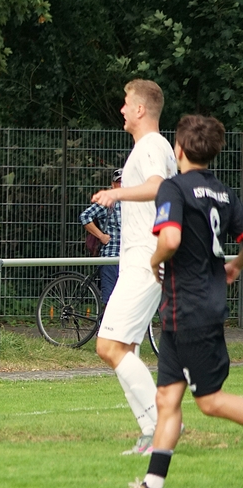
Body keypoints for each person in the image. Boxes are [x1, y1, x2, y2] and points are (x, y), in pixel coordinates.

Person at [132, 115, 243, 488]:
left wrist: (154, 261)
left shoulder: (173, 188)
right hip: (181, 313)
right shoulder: (224, 193)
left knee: (210, 402)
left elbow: (171, 240)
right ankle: (152, 482)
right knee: (167, 399)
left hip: (192, 310)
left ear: (178, 149)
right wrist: (235, 266)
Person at [91, 79, 177, 455]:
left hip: (145, 259)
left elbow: (159, 187)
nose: (122, 109)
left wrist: (116, 193)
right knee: (123, 348)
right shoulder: (148, 147)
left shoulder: (152, 145)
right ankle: (151, 431)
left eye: (127, 103)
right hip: (141, 260)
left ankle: (162, 425)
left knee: (108, 345)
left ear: (141, 109)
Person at [80, 168, 123, 305]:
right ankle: (106, 319)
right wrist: (101, 236)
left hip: (129, 257)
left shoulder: (135, 203)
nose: (121, 185)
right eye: (118, 182)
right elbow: (85, 216)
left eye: (124, 182)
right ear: (113, 185)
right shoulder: (108, 202)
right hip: (110, 257)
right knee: (110, 300)